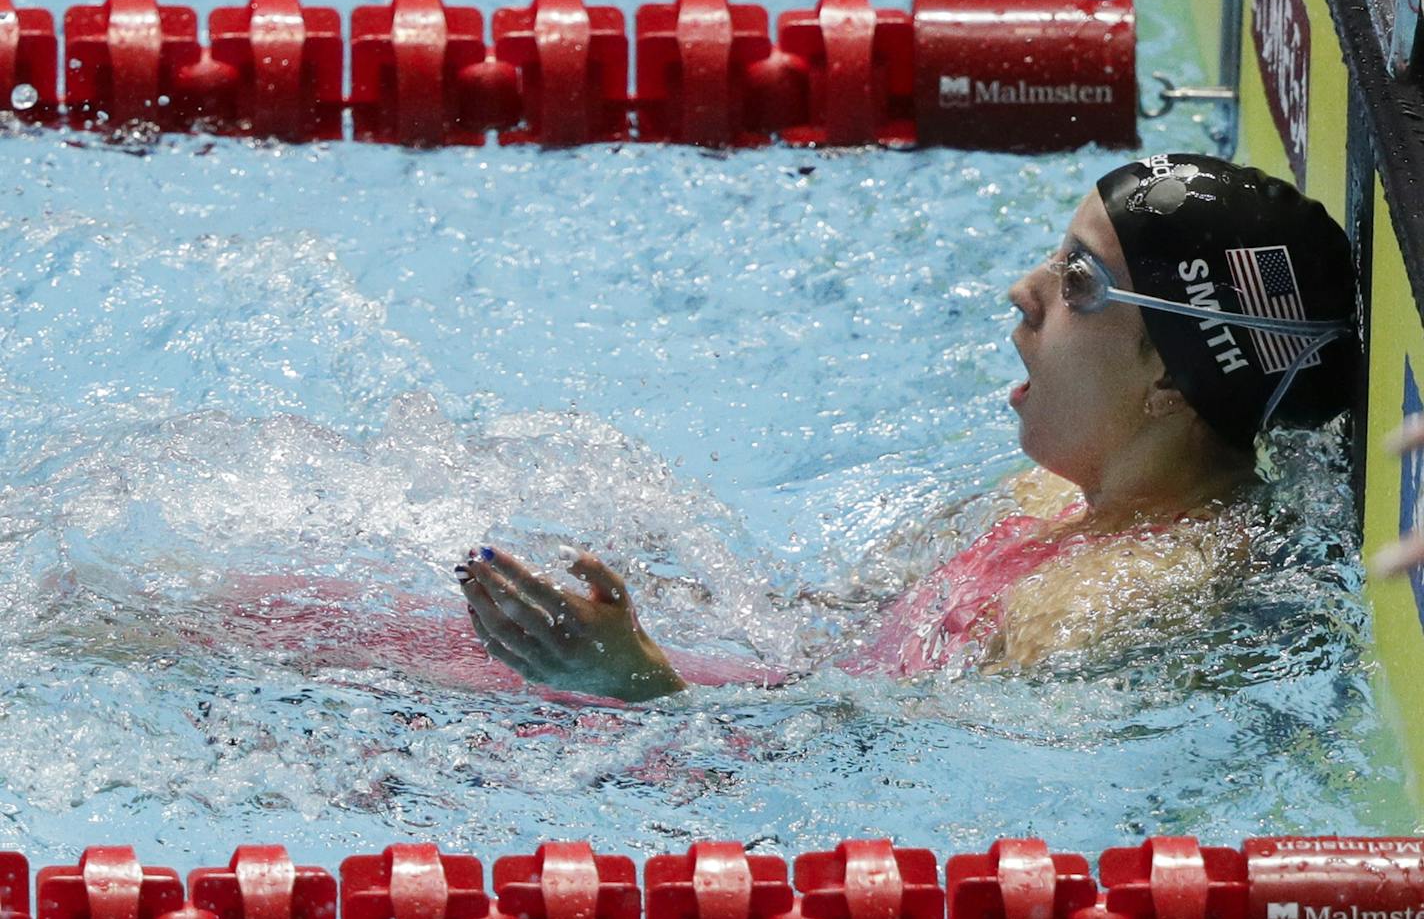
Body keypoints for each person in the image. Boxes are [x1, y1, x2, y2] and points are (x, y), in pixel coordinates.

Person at [455, 154, 1359, 701]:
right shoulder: (1050, 496)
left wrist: (640, 683)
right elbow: (826, 637)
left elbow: (878, 784)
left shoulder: (1106, 610)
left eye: (1078, 281)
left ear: (1172, 373)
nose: (1025, 291)